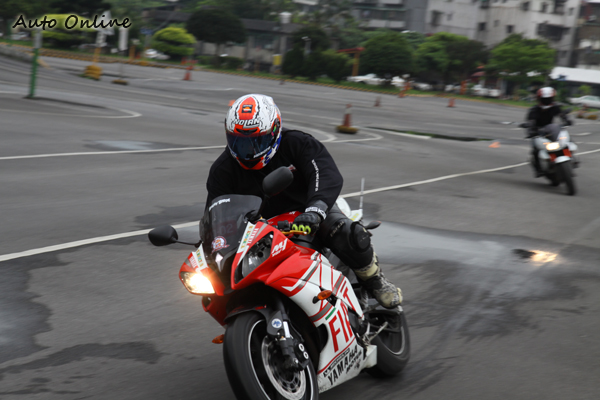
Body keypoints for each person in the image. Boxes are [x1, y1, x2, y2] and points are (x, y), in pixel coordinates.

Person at [205, 94, 402, 309]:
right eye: (239, 142)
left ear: (275, 130)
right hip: (263, 229)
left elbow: (325, 172)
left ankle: (375, 280)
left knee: (343, 230)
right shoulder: (222, 170)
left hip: (308, 213)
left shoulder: (297, 143)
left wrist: (315, 210)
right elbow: (216, 214)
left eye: (257, 141)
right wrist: (211, 244)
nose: (248, 151)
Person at [524, 87, 572, 176]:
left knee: (565, 139)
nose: (546, 101)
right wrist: (530, 130)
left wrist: (567, 120)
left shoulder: (555, 107)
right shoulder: (534, 110)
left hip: (551, 129)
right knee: (535, 150)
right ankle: (538, 169)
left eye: (549, 99)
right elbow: (530, 121)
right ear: (539, 99)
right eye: (544, 99)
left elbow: (561, 114)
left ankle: (571, 157)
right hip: (537, 132)